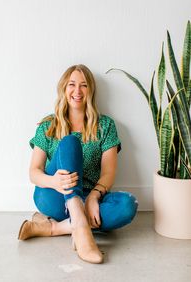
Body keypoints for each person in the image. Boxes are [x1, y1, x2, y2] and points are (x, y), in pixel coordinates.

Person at [18, 64, 138, 264]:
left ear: (90, 91)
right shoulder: (48, 126)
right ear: (64, 89)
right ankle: (80, 225)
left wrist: (92, 197)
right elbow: (33, 173)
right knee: (69, 142)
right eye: (72, 84)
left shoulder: (105, 126)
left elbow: (108, 173)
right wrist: (54, 182)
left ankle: (54, 228)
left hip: (91, 199)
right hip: (54, 196)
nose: (77, 91)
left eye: (84, 85)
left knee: (128, 205)